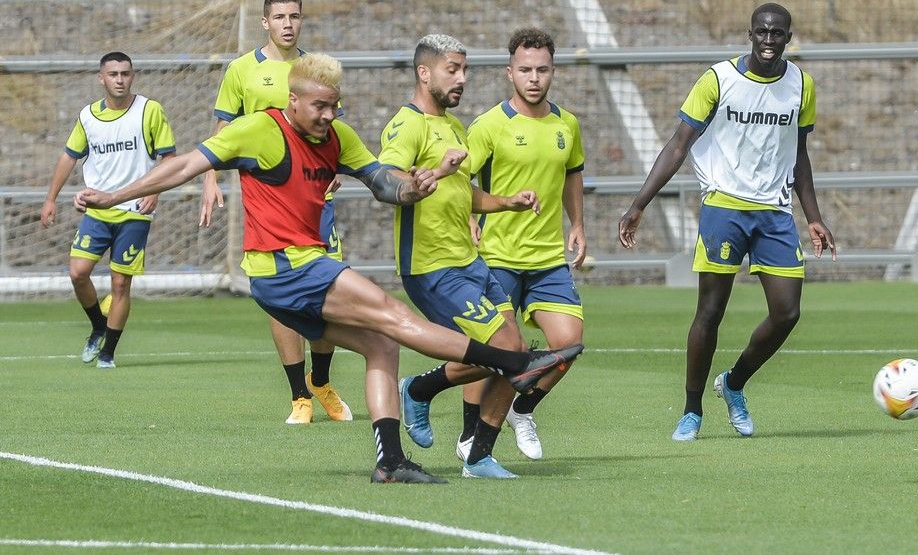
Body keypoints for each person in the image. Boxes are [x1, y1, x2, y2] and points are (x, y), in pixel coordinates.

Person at [75, 53, 583, 483]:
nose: (327, 115)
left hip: (294, 275)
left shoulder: (338, 135)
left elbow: (383, 184)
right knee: (391, 315)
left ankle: (390, 461)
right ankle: (515, 364)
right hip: (286, 269)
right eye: (318, 105)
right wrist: (115, 196)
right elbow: (186, 164)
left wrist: (415, 187)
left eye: (334, 105)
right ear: (293, 100)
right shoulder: (259, 129)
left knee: (380, 344)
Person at [618, 3, 836, 441]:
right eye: (762, 32)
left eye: (777, 33)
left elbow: (799, 154)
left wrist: (814, 217)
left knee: (787, 312)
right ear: (750, 34)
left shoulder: (801, 85)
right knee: (710, 311)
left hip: (774, 211)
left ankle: (733, 383)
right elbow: (678, 145)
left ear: (789, 37)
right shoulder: (718, 79)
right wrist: (639, 204)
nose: (769, 40)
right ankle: (691, 410)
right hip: (724, 206)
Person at [381, 35, 545, 479]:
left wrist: (506, 202)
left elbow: (461, 191)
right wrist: (433, 172)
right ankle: (422, 393)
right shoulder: (407, 124)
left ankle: (476, 452)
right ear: (424, 73)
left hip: (470, 261)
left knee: (515, 352)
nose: (462, 78)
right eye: (452, 69)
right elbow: (388, 180)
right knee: (507, 350)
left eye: (465, 70)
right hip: (432, 267)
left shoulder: (453, 125)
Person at [199, 0, 351, 426]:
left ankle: (322, 381)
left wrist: (336, 166)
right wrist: (210, 178)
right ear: (265, 22)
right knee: (283, 296)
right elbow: (222, 129)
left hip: (316, 200)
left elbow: (333, 126)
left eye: (295, 16)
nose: (288, 24)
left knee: (329, 290)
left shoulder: (315, 70)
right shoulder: (242, 70)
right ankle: (299, 395)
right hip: (271, 204)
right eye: (280, 17)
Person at [463, 27, 586, 461]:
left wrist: (577, 224)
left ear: (553, 71)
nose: (534, 78)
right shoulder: (488, 125)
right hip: (497, 256)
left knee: (569, 343)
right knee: (492, 351)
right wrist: (469, 220)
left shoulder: (567, 124)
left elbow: (572, 173)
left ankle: (522, 409)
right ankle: (469, 434)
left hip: (548, 258)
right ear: (509, 72)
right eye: (525, 70)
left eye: (542, 70)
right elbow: (460, 181)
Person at [40, 52, 176, 369]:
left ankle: (108, 354)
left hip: (134, 211)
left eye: (125, 74)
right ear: (101, 78)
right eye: (113, 74)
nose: (119, 80)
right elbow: (69, 156)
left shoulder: (149, 110)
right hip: (97, 211)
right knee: (78, 273)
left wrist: (154, 192)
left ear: (132, 76)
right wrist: (50, 199)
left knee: (120, 284)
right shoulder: (88, 116)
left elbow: (169, 159)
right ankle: (98, 326)